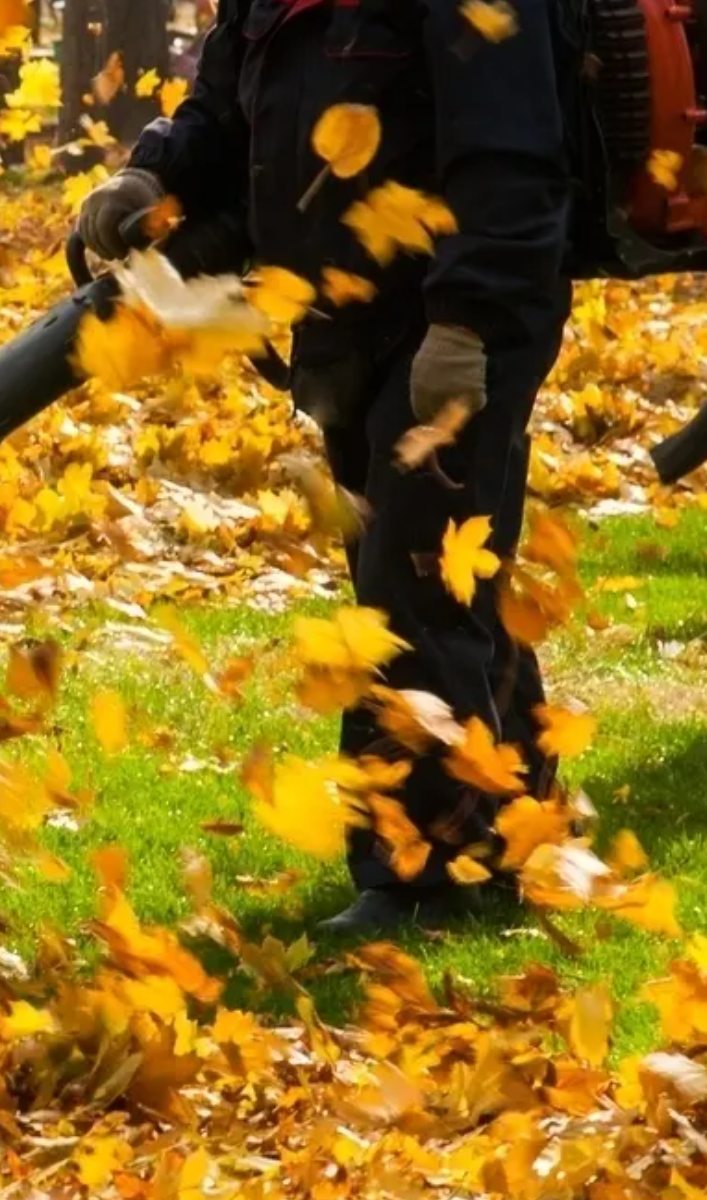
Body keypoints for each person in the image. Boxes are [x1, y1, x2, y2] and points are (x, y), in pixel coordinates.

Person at [76, 0, 572, 933]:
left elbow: (509, 154)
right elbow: (224, 108)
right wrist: (152, 171)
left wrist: (470, 324)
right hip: (349, 324)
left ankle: (424, 878)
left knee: (412, 589)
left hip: (455, 319)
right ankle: (511, 823)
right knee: (442, 575)